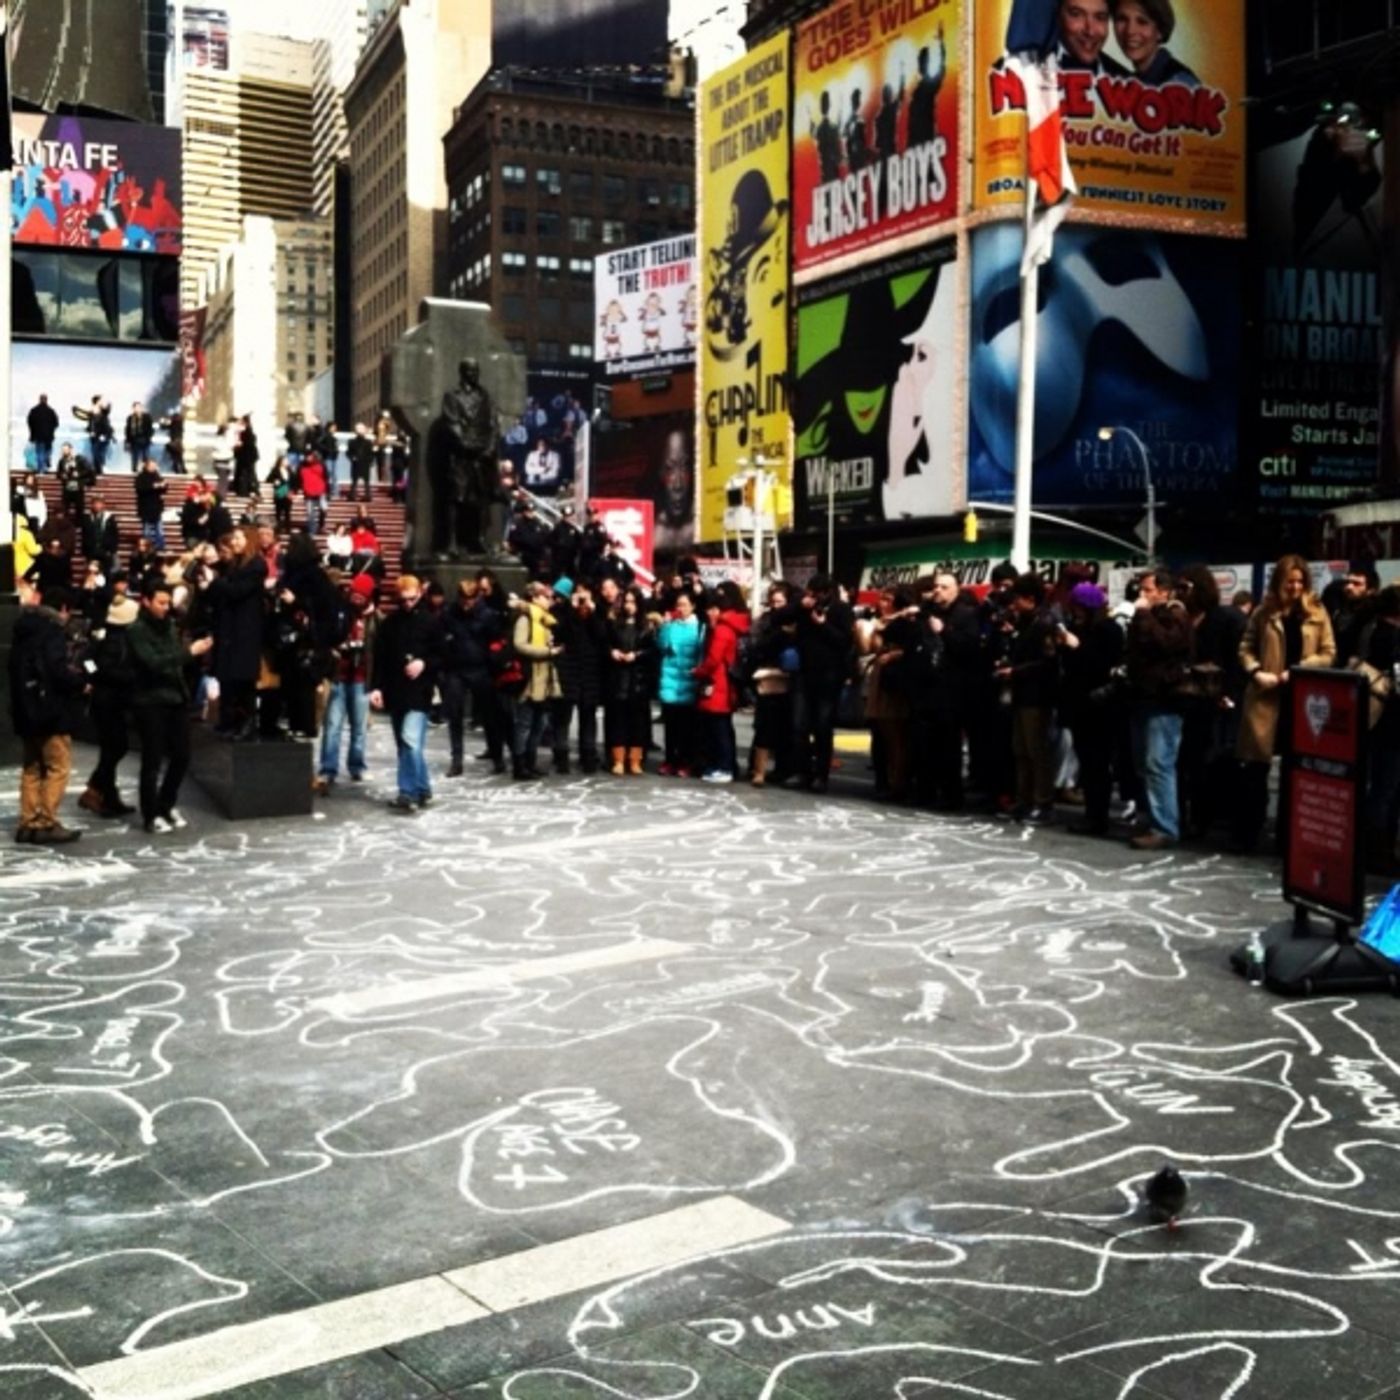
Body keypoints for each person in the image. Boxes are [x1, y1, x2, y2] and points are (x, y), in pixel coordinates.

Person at [1234, 555, 1336, 853]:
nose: (1294, 587)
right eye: (1289, 581)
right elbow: (1246, 647)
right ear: (1278, 582)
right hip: (1265, 696)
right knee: (1254, 770)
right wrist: (1256, 672)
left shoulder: (1317, 612)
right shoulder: (1264, 612)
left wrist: (1303, 668)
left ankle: (1288, 839)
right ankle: (1248, 835)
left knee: (1296, 772)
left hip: (1303, 700)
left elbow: (1329, 652)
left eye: (1299, 581)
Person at [127, 579, 214, 833]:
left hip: (175, 700)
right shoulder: (137, 630)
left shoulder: (170, 626)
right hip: (149, 702)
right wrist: (190, 652)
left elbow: (174, 662)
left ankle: (166, 803)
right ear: (146, 601)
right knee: (152, 760)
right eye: (161, 602)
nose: (166, 607)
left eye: (168, 603)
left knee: (182, 755)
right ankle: (150, 814)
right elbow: (153, 662)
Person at [10, 582, 87, 844]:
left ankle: (28, 821)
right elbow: (57, 671)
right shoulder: (52, 633)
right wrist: (80, 683)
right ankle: (45, 821)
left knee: (32, 767)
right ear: (64, 608)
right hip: (50, 712)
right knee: (58, 766)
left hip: (25, 710)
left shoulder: (22, 630)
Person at [1123, 567, 1194, 850]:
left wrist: (1142, 614)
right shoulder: (1150, 617)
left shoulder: (1176, 614)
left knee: (1158, 763)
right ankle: (1152, 816)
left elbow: (1167, 644)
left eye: (1149, 590)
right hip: (1143, 696)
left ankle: (1165, 827)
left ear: (1164, 592)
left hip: (1165, 700)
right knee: (1144, 763)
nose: (1143, 595)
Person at [370, 574, 443, 812]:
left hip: (419, 691)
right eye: (403, 600)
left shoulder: (431, 622)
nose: (408, 604)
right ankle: (422, 788)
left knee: (410, 741)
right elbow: (380, 658)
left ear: (419, 594)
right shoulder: (390, 624)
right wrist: (377, 687)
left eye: (411, 599)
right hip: (396, 690)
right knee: (406, 745)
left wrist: (424, 663)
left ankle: (408, 791)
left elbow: (444, 655)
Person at [1057, 582, 1125, 836]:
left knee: (1098, 763)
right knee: (1088, 761)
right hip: (1079, 705)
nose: (1075, 611)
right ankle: (1092, 814)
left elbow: (1104, 666)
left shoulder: (1109, 630)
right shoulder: (1079, 627)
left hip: (1100, 707)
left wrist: (1078, 647)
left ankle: (1098, 817)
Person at [994, 574, 1060, 824]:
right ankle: (1024, 800)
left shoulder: (1044, 623)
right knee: (1021, 751)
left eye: (1017, 600)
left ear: (1030, 599)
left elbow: (1048, 663)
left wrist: (1015, 671)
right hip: (1022, 695)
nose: (1013, 606)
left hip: (1037, 697)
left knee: (1036, 751)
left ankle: (1043, 802)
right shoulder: (1025, 623)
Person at [78, 576, 140, 820]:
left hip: (104, 700)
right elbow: (102, 666)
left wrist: (94, 678)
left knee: (111, 748)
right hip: (112, 701)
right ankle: (96, 789)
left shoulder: (103, 638)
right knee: (116, 747)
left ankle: (108, 796)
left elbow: (86, 660)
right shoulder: (120, 643)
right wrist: (107, 677)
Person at [205, 528, 269, 741]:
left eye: (239, 537)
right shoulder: (233, 564)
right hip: (230, 629)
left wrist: (214, 582)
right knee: (231, 679)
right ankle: (231, 721)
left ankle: (248, 724)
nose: (235, 541)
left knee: (244, 681)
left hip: (246, 630)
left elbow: (237, 591)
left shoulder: (256, 565)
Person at [317, 574, 378, 793]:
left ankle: (356, 765)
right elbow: (325, 636)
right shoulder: (340, 612)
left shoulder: (374, 618)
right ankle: (328, 768)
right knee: (332, 726)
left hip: (362, 678)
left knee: (359, 727)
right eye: (354, 594)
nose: (356, 599)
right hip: (339, 676)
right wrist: (335, 648)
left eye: (360, 596)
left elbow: (377, 649)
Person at [793, 575, 853, 794]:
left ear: (826, 592)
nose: (812, 598)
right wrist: (801, 608)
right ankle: (803, 771)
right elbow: (785, 619)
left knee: (822, 725)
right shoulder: (804, 609)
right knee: (799, 725)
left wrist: (823, 624)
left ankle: (821, 775)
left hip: (829, 675)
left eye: (815, 593)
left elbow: (845, 641)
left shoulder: (841, 610)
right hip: (805, 672)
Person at [694, 581, 751, 785]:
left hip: (718, 684)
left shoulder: (722, 630)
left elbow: (713, 659)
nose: (710, 613)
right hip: (724, 683)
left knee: (719, 729)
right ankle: (725, 766)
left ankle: (724, 766)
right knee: (723, 728)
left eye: (713, 609)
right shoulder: (735, 626)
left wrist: (698, 672)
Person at [1361, 586, 1400, 873]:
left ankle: (1374, 847)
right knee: (1387, 788)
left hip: (1372, 718)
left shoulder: (1369, 631)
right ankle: (1380, 852)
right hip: (1393, 720)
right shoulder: (1394, 637)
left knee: (1378, 786)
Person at [552, 578, 608, 775]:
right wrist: (572, 609)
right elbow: (560, 634)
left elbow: (602, 636)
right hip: (569, 669)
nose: (582, 599)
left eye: (585, 594)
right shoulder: (563, 612)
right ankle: (561, 757)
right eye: (578, 594)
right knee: (563, 716)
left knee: (588, 716)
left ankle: (588, 757)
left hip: (590, 671)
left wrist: (591, 613)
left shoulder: (598, 611)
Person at [510, 580, 564, 780]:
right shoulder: (525, 618)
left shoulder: (544, 619)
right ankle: (520, 764)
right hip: (530, 678)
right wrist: (547, 651)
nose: (550, 600)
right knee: (524, 723)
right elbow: (520, 645)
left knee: (539, 723)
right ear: (534, 597)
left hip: (544, 678)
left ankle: (530, 762)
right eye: (545, 596)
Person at [604, 586, 656, 777]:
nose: (629, 605)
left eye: (632, 601)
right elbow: (606, 644)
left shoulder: (647, 626)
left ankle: (635, 760)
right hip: (618, 678)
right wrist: (612, 652)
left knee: (638, 723)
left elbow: (652, 652)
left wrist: (637, 655)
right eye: (626, 601)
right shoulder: (614, 624)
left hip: (638, 680)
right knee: (618, 721)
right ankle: (618, 759)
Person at [656, 591, 704, 777]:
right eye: (678, 605)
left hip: (689, 679)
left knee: (687, 727)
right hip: (670, 679)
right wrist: (666, 626)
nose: (681, 608)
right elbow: (661, 646)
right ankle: (670, 760)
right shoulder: (672, 625)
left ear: (693, 606)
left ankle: (686, 761)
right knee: (671, 726)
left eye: (684, 604)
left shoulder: (698, 627)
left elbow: (701, 653)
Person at [1108, 0, 1199, 86]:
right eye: (1122, 19)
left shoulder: (1179, 83)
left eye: (1142, 22)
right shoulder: (1141, 79)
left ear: (1160, 30)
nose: (1130, 31)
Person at [1058, 0, 1129, 74]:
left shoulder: (1124, 79)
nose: (1090, 32)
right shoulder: (1045, 60)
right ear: (1059, 15)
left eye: (1100, 18)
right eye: (1077, 14)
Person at [82, 495, 120, 574]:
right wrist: (86, 551)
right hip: (92, 551)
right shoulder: (87, 518)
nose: (97, 506)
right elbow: (84, 535)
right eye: (95, 503)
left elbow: (114, 535)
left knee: (106, 574)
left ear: (103, 505)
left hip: (105, 552)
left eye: (99, 503)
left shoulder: (109, 518)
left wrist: (112, 550)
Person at [300, 450, 329, 536]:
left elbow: (326, 477)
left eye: (310, 456)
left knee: (324, 508)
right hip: (308, 493)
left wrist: (327, 491)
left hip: (320, 491)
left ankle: (321, 525)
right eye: (307, 456)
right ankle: (312, 530)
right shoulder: (302, 466)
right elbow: (298, 479)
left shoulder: (321, 465)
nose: (308, 458)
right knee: (310, 513)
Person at [27, 394, 58, 473]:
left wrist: (32, 433)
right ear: (46, 400)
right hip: (49, 436)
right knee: (47, 452)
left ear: (39, 400)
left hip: (38, 436)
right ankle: (45, 465)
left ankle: (41, 469)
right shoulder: (51, 411)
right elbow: (56, 423)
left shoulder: (34, 411)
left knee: (39, 452)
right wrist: (51, 430)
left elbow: (30, 422)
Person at [232, 414, 260, 497]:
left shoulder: (244, 433)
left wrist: (238, 446)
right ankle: (253, 489)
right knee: (250, 473)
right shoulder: (249, 432)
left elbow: (243, 444)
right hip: (249, 456)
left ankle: (246, 490)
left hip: (245, 457)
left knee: (246, 474)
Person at [347, 423, 375, 502]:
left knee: (366, 481)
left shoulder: (368, 442)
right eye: (359, 430)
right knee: (354, 480)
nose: (360, 432)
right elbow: (349, 453)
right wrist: (352, 458)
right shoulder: (351, 442)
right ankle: (352, 495)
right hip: (356, 463)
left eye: (362, 430)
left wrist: (370, 461)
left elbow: (371, 453)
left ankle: (368, 495)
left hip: (365, 463)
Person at [125, 401, 155, 475]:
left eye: (139, 407)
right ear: (133, 408)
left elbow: (150, 428)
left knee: (145, 456)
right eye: (135, 407)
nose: (137, 409)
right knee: (134, 456)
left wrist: (148, 437)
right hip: (134, 440)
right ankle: (134, 470)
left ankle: (146, 470)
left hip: (145, 439)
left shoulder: (147, 417)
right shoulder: (130, 418)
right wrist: (128, 440)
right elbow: (127, 430)